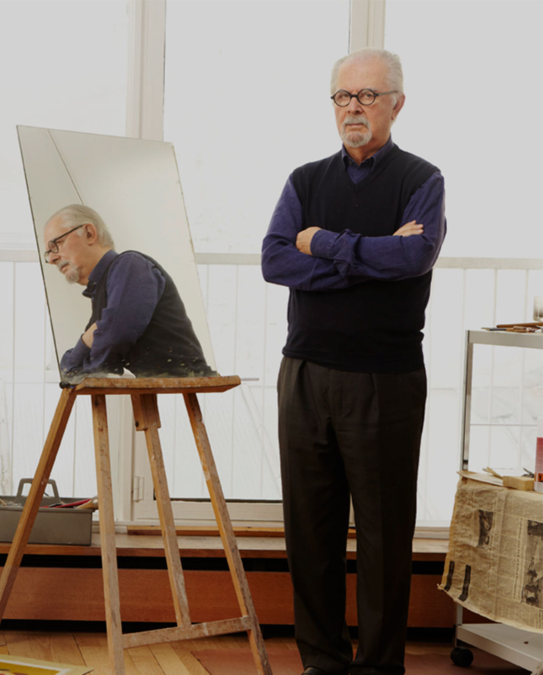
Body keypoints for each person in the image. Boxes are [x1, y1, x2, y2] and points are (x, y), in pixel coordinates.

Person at [260, 47, 445, 675]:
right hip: (305, 373)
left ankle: (379, 666)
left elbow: (413, 259)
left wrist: (325, 244)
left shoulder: (422, 179)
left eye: (368, 96)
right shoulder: (305, 179)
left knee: (384, 533)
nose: (353, 108)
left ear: (397, 104)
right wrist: (368, 260)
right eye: (343, 96)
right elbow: (275, 260)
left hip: (385, 377)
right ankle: (323, 661)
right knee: (309, 529)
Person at [44, 204, 215, 381]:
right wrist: (82, 351)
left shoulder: (129, 265)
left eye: (57, 244)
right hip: (161, 383)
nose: (52, 258)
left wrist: (78, 366)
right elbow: (86, 357)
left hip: (182, 380)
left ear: (89, 233)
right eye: (48, 253)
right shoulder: (104, 285)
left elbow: (112, 339)